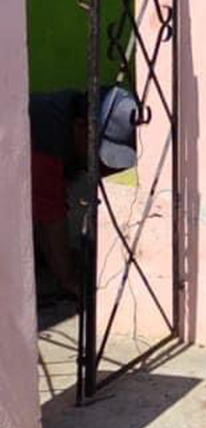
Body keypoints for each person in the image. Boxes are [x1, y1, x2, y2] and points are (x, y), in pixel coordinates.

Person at [30, 87, 138, 300]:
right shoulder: (45, 135)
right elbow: (50, 217)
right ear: (81, 127)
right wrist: (70, 279)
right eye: (99, 151)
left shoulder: (69, 121)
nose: (100, 165)